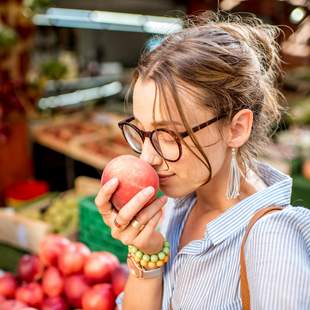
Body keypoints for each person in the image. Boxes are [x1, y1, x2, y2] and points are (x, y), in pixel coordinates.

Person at [95, 11, 310, 310]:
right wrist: (148, 252)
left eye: (168, 134)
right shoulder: (174, 203)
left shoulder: (273, 241)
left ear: (236, 128)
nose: (147, 157)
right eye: (142, 132)